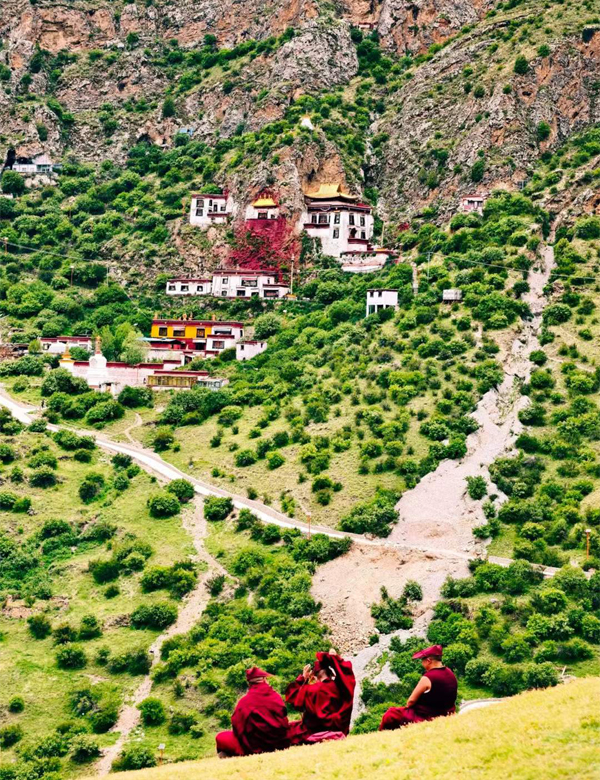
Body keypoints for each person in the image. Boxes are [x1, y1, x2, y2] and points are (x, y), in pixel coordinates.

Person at [216, 667, 290, 758]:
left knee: (221, 737)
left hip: (253, 746)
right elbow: (284, 720)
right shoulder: (276, 697)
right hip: (279, 743)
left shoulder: (244, 702)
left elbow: (237, 728)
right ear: (264, 680)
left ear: (249, 683)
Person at [379, 644, 457, 731]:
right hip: (447, 713)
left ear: (429, 660)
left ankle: (382, 735)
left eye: (422, 660)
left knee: (391, 714)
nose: (422, 663)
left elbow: (410, 701)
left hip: (427, 716)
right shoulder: (450, 672)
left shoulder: (428, 677)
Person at [286, 650, 356, 745]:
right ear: (329, 672)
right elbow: (347, 676)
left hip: (315, 730)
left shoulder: (311, 689)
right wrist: (336, 659)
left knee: (288, 730)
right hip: (337, 727)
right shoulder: (338, 686)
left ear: (314, 676)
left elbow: (293, 698)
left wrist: (302, 678)